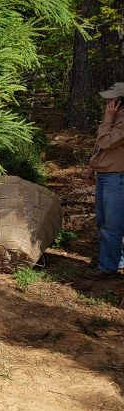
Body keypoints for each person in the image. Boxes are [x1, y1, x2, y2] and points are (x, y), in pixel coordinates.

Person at [88, 81, 124, 278]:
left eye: (111, 99)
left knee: (111, 225)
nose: (107, 102)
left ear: (120, 101)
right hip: (106, 175)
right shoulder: (114, 117)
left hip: (117, 178)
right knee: (104, 221)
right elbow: (99, 146)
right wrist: (92, 166)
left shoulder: (119, 119)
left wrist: (108, 118)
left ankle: (108, 268)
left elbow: (106, 141)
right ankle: (115, 260)